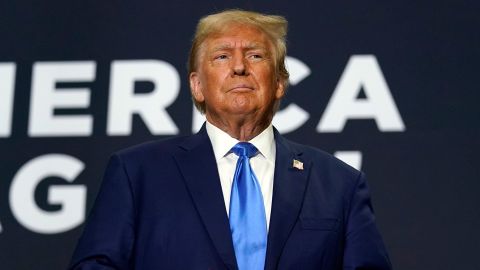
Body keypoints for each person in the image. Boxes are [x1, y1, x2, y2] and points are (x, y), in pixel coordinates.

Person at [69, 9, 392, 270]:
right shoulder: (137, 173)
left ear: (279, 82)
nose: (239, 67)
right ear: (197, 86)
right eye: (222, 57)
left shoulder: (340, 184)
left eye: (255, 56)